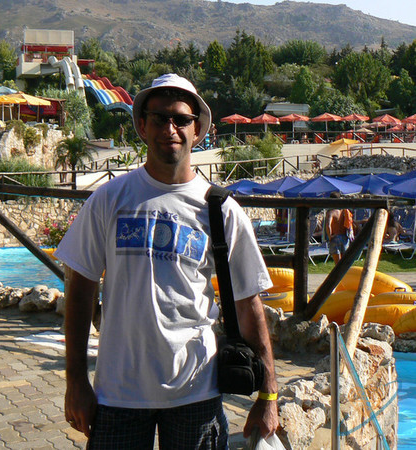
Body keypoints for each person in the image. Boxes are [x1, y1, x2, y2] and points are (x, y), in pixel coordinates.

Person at [55, 73, 278, 449]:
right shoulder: (108, 200)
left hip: (196, 392)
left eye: (181, 119)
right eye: (159, 118)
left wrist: (269, 395)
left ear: (197, 130)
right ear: (142, 127)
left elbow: (248, 303)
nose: (170, 129)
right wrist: (75, 381)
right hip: (118, 393)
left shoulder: (220, 209)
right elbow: (80, 291)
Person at [325, 192, 353, 264]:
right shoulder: (344, 211)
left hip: (335, 237)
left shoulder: (331, 212)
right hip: (345, 237)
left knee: (337, 264)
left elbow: (328, 225)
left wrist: (330, 236)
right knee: (344, 263)